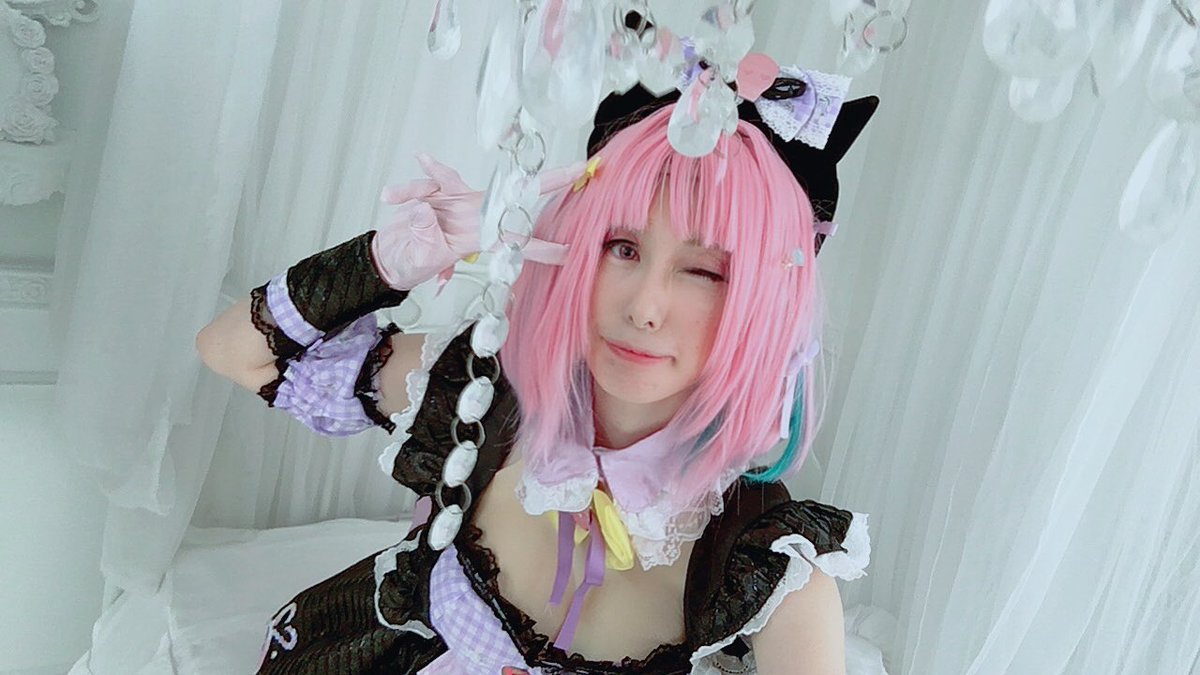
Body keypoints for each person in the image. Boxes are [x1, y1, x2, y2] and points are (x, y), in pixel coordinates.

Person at [197, 61, 878, 674]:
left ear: (766, 304)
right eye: (622, 248)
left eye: (704, 271)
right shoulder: (482, 394)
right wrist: (383, 262)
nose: (645, 307)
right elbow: (232, 351)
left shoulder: (767, 561)